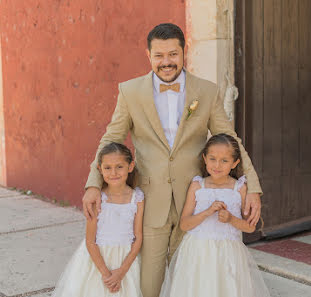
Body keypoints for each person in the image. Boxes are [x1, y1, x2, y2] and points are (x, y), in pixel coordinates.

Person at [82, 23, 264, 297]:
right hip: (151, 200)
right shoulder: (130, 92)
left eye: (172, 55)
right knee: (149, 285)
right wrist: (93, 184)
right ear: (149, 55)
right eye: (159, 55)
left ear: (183, 52)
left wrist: (253, 186)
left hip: (194, 204)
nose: (166, 62)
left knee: (189, 282)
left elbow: (230, 138)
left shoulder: (206, 91)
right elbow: (112, 139)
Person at [159, 134, 270, 297]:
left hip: (228, 253)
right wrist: (207, 212)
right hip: (198, 251)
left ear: (235, 163)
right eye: (212, 159)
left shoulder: (239, 188)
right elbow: (184, 224)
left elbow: (250, 227)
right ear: (204, 158)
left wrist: (231, 219)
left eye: (224, 160)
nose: (217, 165)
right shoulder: (197, 185)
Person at [53, 143, 144, 297]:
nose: (113, 172)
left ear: (130, 166)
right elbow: (90, 241)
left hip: (126, 262)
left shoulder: (137, 198)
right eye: (107, 167)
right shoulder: (97, 199)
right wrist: (106, 274)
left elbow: (138, 236)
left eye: (119, 167)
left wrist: (121, 272)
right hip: (98, 262)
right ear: (100, 169)